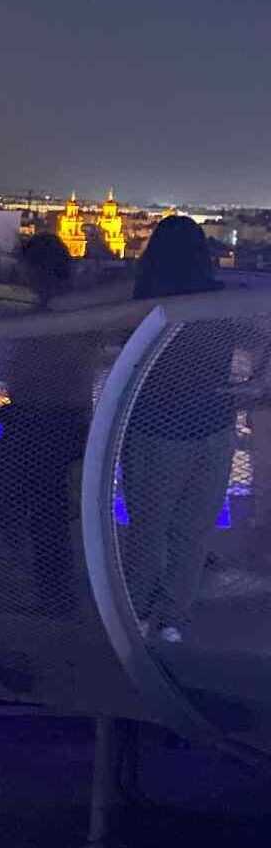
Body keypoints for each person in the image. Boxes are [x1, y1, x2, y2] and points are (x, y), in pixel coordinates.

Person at [121, 215, 231, 642]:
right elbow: (261, 337)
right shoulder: (221, 302)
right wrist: (254, 380)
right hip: (214, 426)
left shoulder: (144, 304)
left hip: (156, 428)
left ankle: (137, 613)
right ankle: (171, 621)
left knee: (148, 529)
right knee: (193, 533)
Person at [0, 236, 90, 608]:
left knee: (34, 506)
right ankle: (48, 585)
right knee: (46, 508)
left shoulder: (70, 310)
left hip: (47, 418)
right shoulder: (72, 308)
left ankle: (50, 590)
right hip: (50, 417)